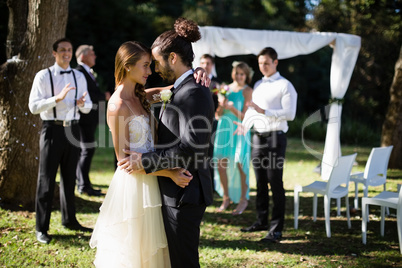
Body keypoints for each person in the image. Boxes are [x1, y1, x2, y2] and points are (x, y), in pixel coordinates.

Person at [89, 41, 197, 267]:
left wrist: (198, 74)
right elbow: (124, 162)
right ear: (128, 66)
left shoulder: (142, 96)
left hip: (152, 180)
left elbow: (172, 89)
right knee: (137, 252)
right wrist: (169, 173)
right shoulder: (117, 106)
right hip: (135, 189)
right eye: (146, 66)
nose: (151, 71)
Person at [118, 18, 215, 268]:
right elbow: (145, 96)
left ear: (172, 58)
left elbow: (190, 147)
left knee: (183, 261)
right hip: (173, 187)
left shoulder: (193, 91)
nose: (154, 70)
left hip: (185, 190)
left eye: (157, 62)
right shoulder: (182, 88)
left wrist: (145, 161)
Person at [28, 38, 93, 244]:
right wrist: (56, 99)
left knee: (69, 178)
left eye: (69, 50)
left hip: (72, 129)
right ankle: (41, 228)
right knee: (46, 179)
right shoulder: (43, 76)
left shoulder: (78, 75)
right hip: (52, 130)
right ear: (54, 53)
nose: (66, 53)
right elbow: (33, 107)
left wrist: (82, 104)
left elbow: (88, 106)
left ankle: (69, 219)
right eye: (62, 50)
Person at [235, 47, 297, 243]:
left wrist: (266, 111)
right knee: (260, 182)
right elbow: (254, 111)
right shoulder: (259, 84)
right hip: (257, 138)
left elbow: (290, 114)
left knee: (274, 182)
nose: (263, 67)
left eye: (267, 63)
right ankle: (261, 221)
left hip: (275, 138)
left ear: (276, 62)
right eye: (260, 63)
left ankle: (276, 229)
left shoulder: (286, 85)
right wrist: (245, 126)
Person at [213, 61, 253, 215]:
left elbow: (246, 116)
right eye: (237, 73)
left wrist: (232, 108)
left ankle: (243, 199)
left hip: (239, 131)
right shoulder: (225, 89)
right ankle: (226, 198)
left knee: (240, 164)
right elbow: (217, 115)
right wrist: (222, 105)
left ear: (246, 75)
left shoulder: (247, 91)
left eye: (242, 74)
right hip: (224, 129)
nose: (239, 76)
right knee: (221, 165)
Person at [75, 45, 105, 196]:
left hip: (90, 117)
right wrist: (103, 96)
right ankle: (83, 185)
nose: (95, 56)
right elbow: (86, 94)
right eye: (92, 54)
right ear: (83, 56)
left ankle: (83, 183)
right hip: (84, 117)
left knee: (86, 150)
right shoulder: (79, 72)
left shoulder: (88, 72)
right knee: (87, 149)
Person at [199, 53, 220, 192]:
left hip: (212, 122)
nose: (205, 66)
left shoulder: (216, 84)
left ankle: (211, 187)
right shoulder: (195, 80)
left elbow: (217, 103)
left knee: (210, 154)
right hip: (197, 123)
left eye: (208, 63)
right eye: (203, 63)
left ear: (212, 65)